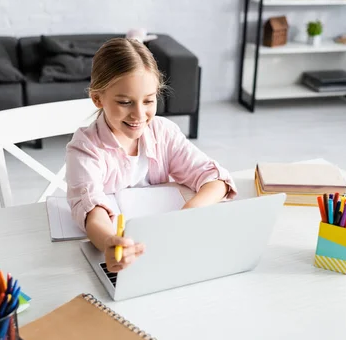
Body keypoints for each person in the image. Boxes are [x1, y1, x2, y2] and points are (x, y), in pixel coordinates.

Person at [66, 37, 237, 273]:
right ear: (97, 98)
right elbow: (92, 210)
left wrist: (190, 213)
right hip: (126, 253)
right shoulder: (85, 147)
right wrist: (109, 242)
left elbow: (216, 180)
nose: (139, 114)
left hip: (166, 247)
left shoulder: (163, 132)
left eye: (148, 100)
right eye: (125, 102)